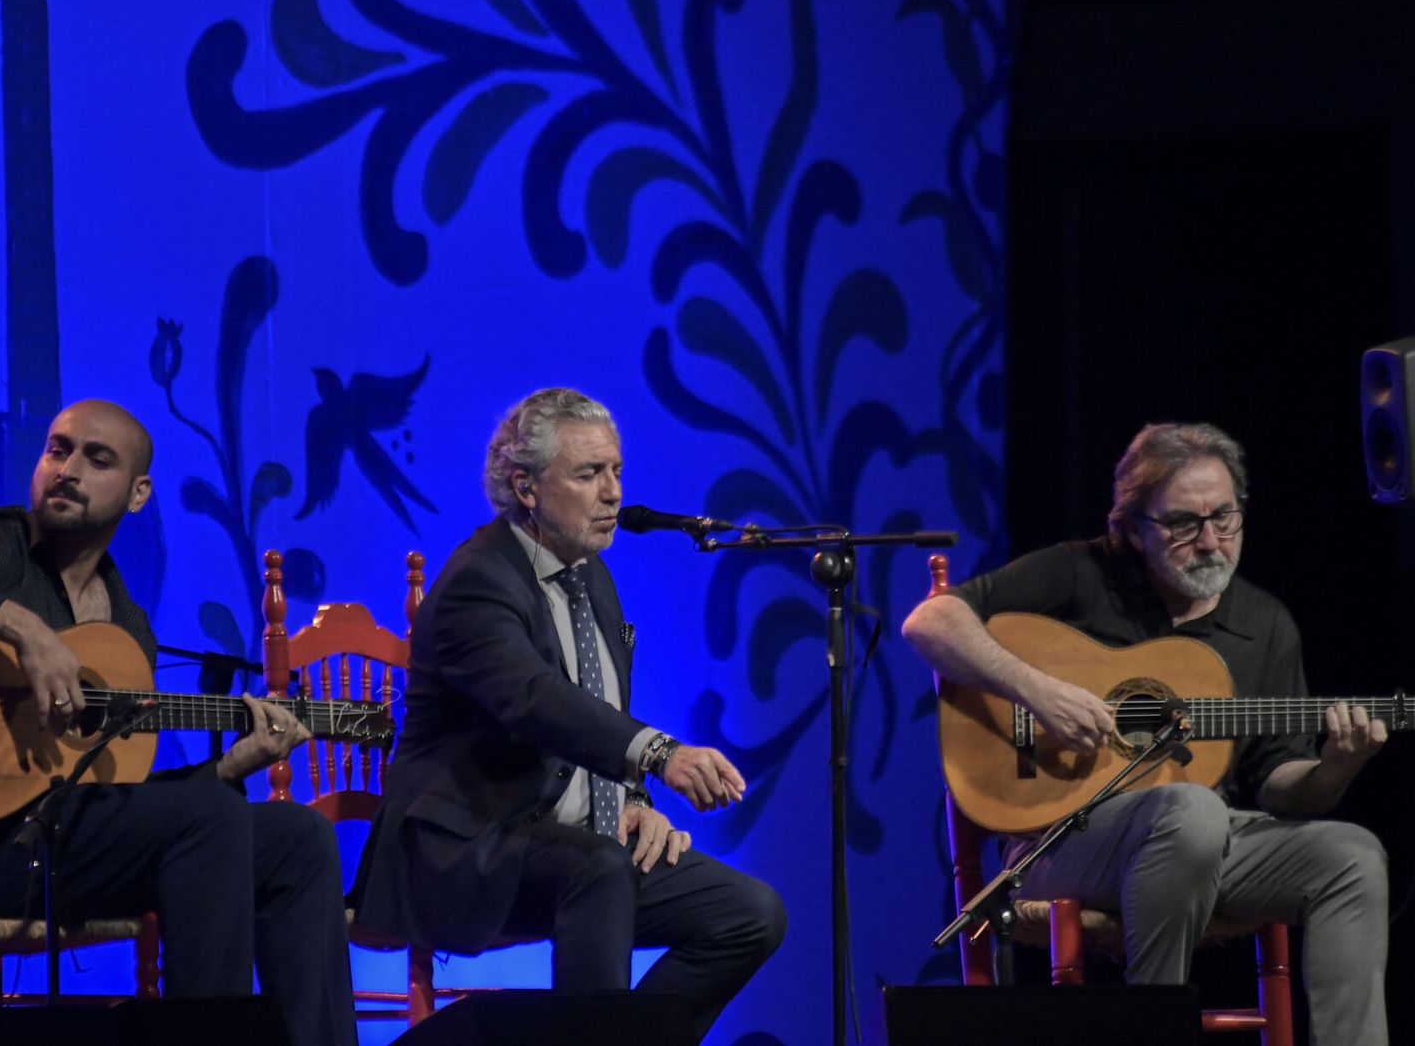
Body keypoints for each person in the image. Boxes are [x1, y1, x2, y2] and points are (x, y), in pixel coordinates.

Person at [0, 399, 355, 1046]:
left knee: (297, 834)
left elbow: (121, 798)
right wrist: (18, 625)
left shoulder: (126, 629)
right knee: (214, 818)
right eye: (58, 449)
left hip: (67, 846)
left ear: (138, 493)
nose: (68, 469)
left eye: (97, 458)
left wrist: (229, 767)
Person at [901, 421, 1388, 1045]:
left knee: (1353, 857)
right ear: (1133, 528)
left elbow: (1279, 785)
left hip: (1204, 843)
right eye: (1183, 523)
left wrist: (1336, 768)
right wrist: (1037, 691)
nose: (1211, 540)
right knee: (1192, 808)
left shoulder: (1265, 624)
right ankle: (1153, 1030)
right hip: (1058, 840)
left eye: (1225, 517)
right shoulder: (1081, 574)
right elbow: (930, 622)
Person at [351, 387, 784, 1042]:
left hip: (572, 843)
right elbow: (537, 701)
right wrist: (661, 755)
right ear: (525, 487)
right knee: (598, 870)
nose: (612, 492)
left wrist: (632, 800)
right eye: (589, 475)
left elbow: (596, 710)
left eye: (615, 471)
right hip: (466, 850)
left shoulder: (592, 577)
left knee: (749, 913)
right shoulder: (478, 581)